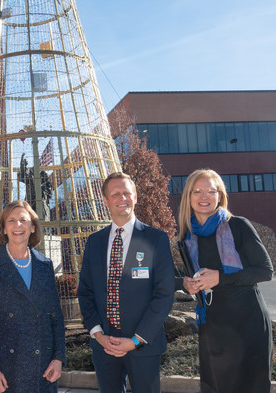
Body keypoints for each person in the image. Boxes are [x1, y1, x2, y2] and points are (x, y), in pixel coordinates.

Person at [177, 168, 273, 393]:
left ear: (220, 195)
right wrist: (188, 283)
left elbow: (265, 270)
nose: (204, 196)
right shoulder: (187, 237)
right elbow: (193, 277)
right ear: (188, 197)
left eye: (211, 191)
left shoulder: (238, 225)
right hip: (213, 323)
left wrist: (220, 277)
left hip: (248, 321)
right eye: (197, 191)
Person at [77, 172, 174, 393]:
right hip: (104, 345)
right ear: (105, 200)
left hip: (143, 345)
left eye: (127, 193)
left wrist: (136, 340)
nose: (122, 198)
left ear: (135, 197)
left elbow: (164, 294)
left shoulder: (155, 239)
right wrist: (98, 335)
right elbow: (85, 292)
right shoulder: (94, 242)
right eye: (115, 194)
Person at [0, 200, 65, 393]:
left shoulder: (44, 265)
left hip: (43, 368)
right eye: (11, 220)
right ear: (4, 229)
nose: (18, 225)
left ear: (32, 227)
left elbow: (55, 317)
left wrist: (58, 358)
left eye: (23, 220)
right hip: (4, 371)